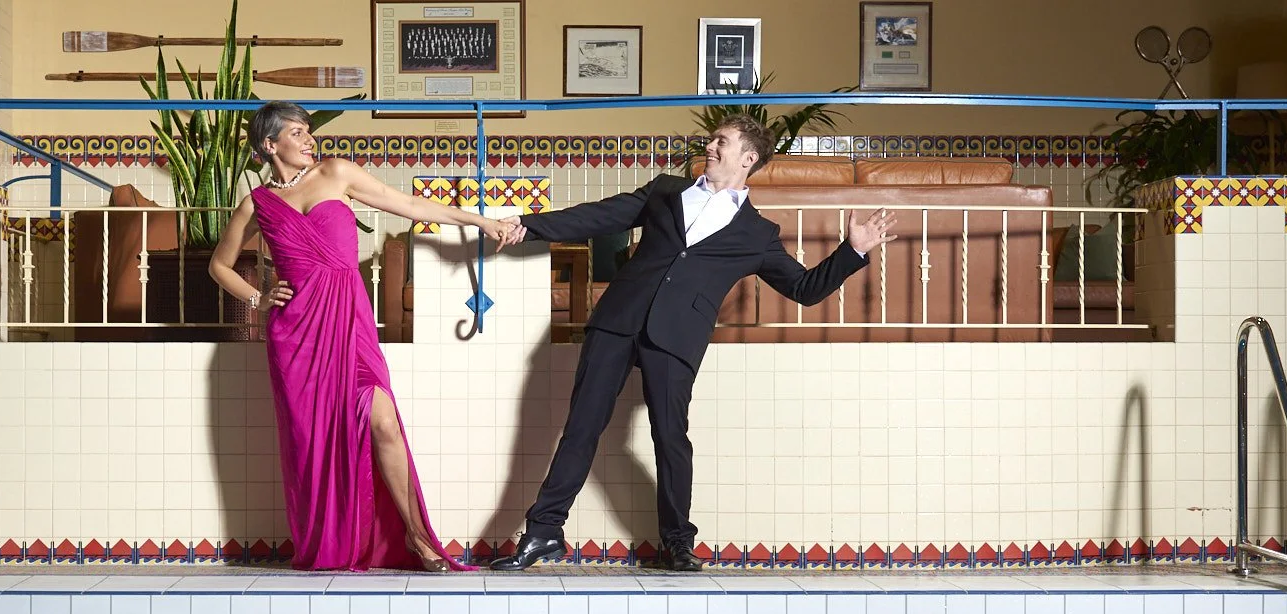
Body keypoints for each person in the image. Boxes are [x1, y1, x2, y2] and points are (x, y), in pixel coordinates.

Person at [491, 115, 897, 572]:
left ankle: (676, 544)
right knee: (582, 427)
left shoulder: (756, 234)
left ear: (748, 158)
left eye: (721, 141)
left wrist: (852, 251)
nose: (711, 146)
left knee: (670, 438)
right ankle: (544, 532)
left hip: (676, 338)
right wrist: (530, 224)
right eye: (712, 139)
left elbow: (804, 289)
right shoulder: (665, 190)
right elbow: (602, 214)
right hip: (618, 321)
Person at [209, 101, 520, 572]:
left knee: (383, 422)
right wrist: (259, 298)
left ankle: (420, 540)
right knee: (313, 444)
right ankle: (333, 545)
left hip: (347, 321)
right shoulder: (258, 204)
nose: (308, 138)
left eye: (308, 130)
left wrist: (479, 220)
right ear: (270, 145)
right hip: (296, 336)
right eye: (296, 132)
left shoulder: (337, 173)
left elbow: (412, 206)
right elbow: (219, 265)